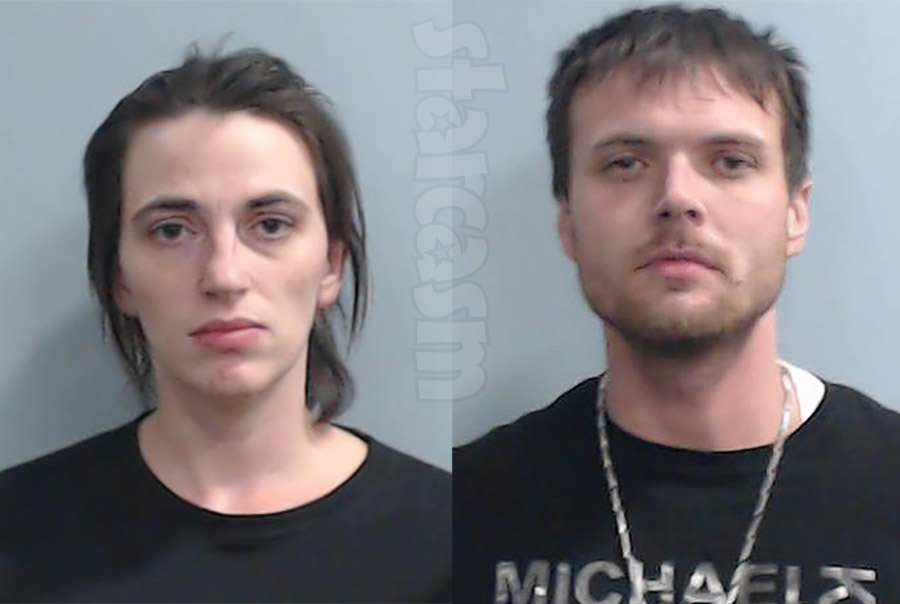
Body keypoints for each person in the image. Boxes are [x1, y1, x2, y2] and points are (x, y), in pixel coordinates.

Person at [454, 4, 900, 602]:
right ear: (568, 223)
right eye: (626, 163)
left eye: (731, 162)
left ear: (796, 214)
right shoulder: (465, 508)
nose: (677, 197)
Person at [0, 46, 450, 603]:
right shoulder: (18, 534)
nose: (224, 275)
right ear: (120, 278)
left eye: (270, 224)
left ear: (331, 265)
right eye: (172, 230)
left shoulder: (448, 540)